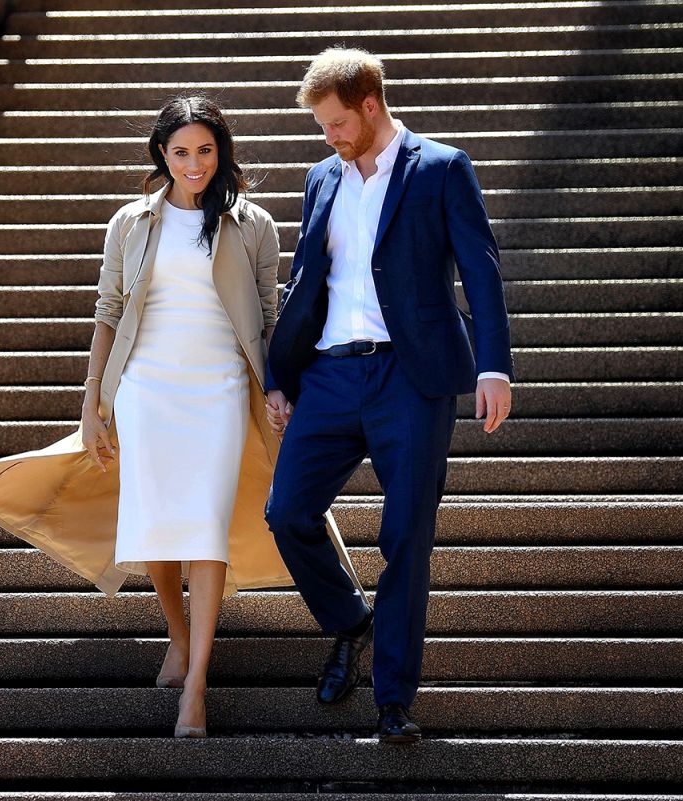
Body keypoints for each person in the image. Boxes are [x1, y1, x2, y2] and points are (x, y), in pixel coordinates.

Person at [0, 96, 357, 738]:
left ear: (224, 153)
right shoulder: (130, 222)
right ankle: (178, 633)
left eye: (206, 151)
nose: (194, 164)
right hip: (146, 387)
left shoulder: (254, 223)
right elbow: (108, 312)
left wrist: (279, 385)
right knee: (156, 520)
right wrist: (92, 403)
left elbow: (271, 316)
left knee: (206, 527)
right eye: (182, 151)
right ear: (162, 153)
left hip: (219, 385)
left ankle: (197, 685)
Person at [263, 48, 515, 744]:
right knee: (286, 511)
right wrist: (278, 373)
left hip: (411, 376)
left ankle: (394, 699)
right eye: (322, 126)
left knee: (406, 535)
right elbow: (305, 282)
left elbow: (481, 271)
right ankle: (349, 620)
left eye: (337, 123)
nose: (329, 137)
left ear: (371, 105)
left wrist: (494, 365)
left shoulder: (440, 168)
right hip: (331, 376)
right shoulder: (322, 177)